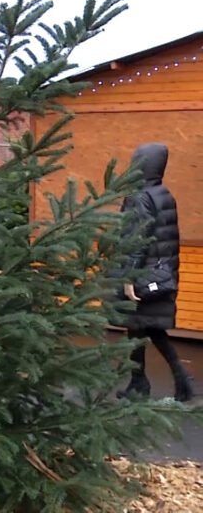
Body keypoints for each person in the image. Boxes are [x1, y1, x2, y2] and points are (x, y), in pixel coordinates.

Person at [115, 143, 193, 402]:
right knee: (140, 327)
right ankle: (143, 383)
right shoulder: (162, 193)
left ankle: (169, 380)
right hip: (160, 273)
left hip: (142, 274)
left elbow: (138, 238)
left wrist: (129, 278)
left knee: (145, 328)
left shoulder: (140, 195)